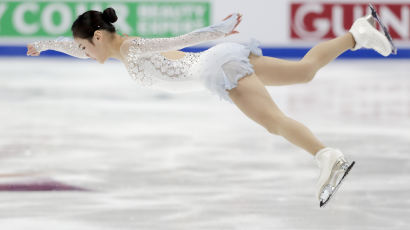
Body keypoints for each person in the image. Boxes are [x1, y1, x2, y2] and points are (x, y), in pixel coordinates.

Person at [26, 4, 396, 207]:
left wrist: (214, 32)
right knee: (302, 72)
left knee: (273, 122)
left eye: (88, 49)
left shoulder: (130, 47)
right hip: (219, 61)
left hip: (217, 68)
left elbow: (177, 39)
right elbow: (71, 45)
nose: (86, 55)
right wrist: (43, 46)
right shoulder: (112, 48)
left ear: (99, 36)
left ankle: (326, 156)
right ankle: (358, 32)